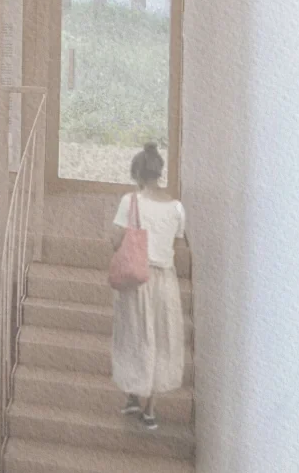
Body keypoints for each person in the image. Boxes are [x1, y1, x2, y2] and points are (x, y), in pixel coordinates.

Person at [110, 142, 186, 431]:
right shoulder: (177, 208)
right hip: (165, 282)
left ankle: (131, 395)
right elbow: (175, 246)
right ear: (159, 173)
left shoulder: (130, 202)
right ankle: (150, 410)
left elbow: (116, 240)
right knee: (159, 340)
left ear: (138, 174)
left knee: (133, 336)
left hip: (136, 280)